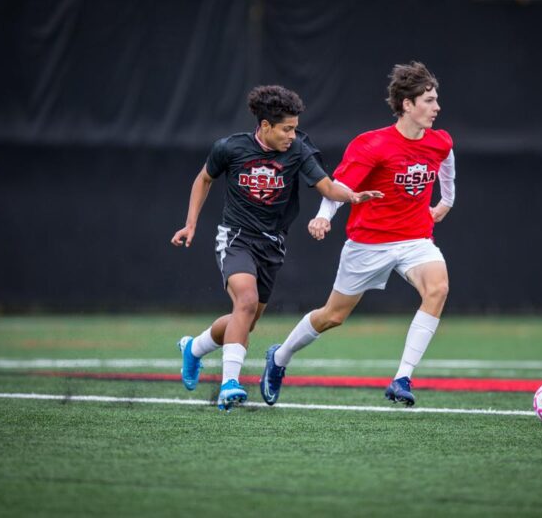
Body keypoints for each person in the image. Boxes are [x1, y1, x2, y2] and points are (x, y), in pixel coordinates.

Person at [171, 85, 382, 411]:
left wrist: (352, 196)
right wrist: (191, 224)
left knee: (246, 320)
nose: (292, 134)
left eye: (295, 128)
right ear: (265, 126)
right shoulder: (230, 148)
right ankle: (230, 383)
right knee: (246, 300)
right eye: (287, 128)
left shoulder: (298, 150)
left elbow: (326, 186)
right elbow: (204, 179)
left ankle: (194, 348)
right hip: (236, 236)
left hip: (272, 244)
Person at [260, 61, 456, 407]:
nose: (436, 107)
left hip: (415, 239)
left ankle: (402, 378)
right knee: (332, 316)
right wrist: (324, 217)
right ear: (407, 105)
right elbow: (340, 187)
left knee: (438, 288)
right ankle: (279, 358)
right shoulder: (372, 144)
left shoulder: (439, 141)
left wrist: (447, 200)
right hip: (369, 243)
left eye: (436, 99)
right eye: (428, 100)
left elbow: (446, 159)